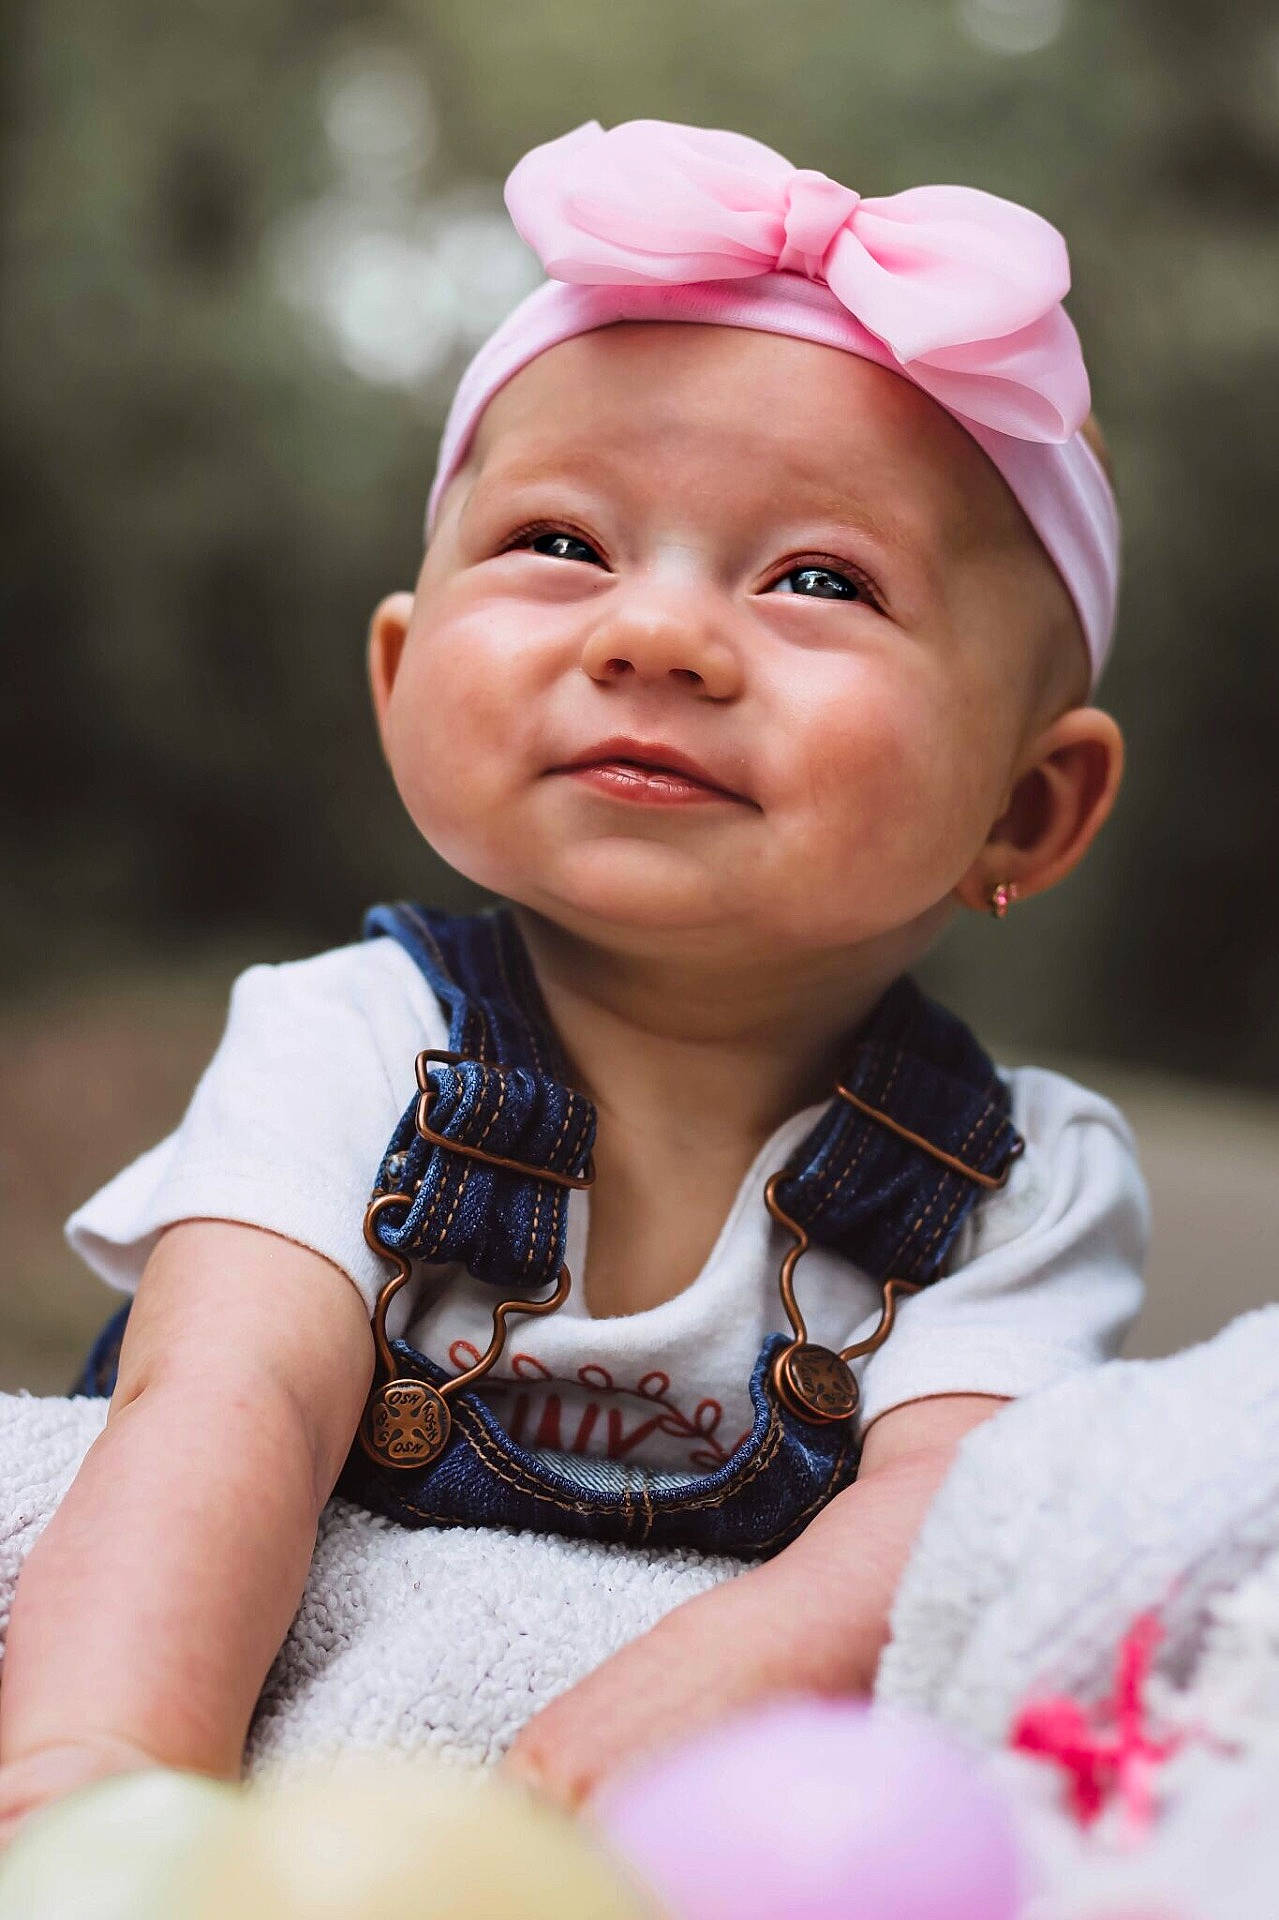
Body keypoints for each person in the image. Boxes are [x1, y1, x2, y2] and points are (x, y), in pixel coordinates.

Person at [0, 118, 1147, 1833]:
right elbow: (218, 1415)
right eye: (562, 542)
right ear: (399, 675)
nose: (654, 633)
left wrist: (574, 1786)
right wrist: (91, 1801)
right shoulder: (349, 1042)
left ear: (1028, 803)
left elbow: (939, 1542)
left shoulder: (1020, 1190)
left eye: (818, 579)